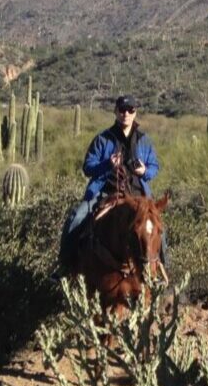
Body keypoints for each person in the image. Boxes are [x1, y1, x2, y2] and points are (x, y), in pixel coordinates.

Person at [60, 95, 160, 266]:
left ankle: (162, 267)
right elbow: (88, 167)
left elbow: (154, 167)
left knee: (157, 228)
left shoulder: (144, 141)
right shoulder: (102, 139)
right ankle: (65, 266)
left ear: (135, 113)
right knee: (76, 218)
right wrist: (107, 165)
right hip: (105, 192)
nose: (126, 114)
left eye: (130, 110)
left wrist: (144, 171)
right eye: (122, 110)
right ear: (115, 112)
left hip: (137, 195)